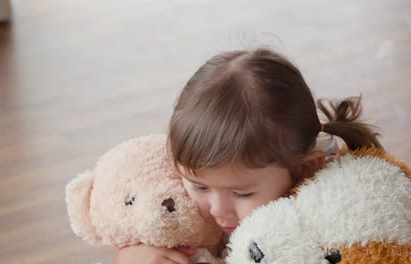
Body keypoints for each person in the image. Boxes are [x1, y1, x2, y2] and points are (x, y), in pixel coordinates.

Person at [113, 48, 382, 264]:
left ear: (305, 169)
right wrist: (129, 256)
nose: (216, 210)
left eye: (241, 194)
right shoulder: (177, 190)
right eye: (198, 186)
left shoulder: (319, 226)